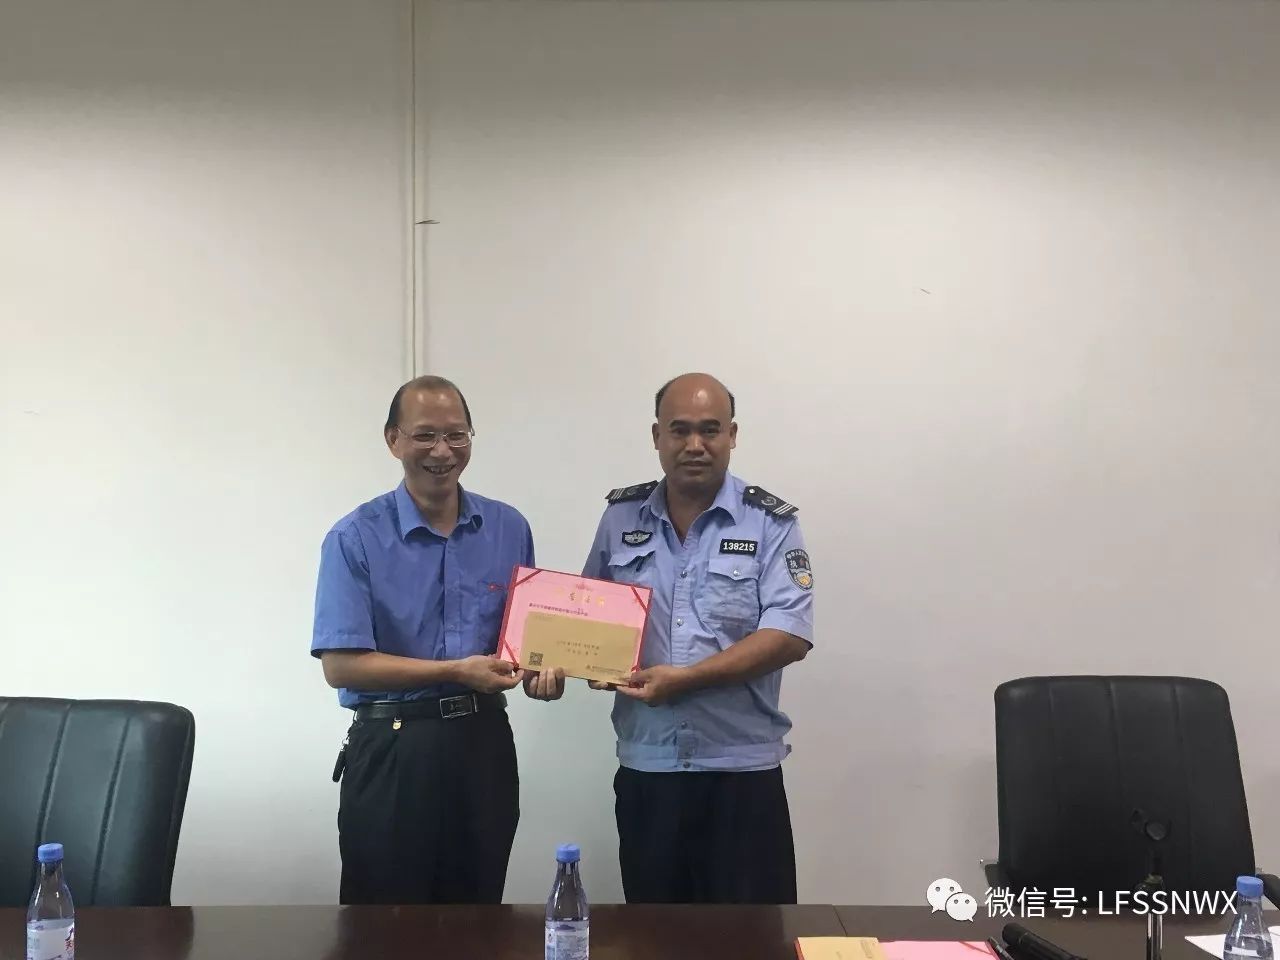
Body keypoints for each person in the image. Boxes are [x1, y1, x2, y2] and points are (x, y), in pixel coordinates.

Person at [311, 375, 564, 906]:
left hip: (483, 744)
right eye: (425, 435)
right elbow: (341, 666)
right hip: (392, 747)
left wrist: (542, 674)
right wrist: (453, 671)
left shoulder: (508, 527)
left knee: (479, 912)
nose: (443, 451)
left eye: (456, 435)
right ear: (393, 440)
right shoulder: (354, 538)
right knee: (382, 922)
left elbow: (523, 647)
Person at [581, 372, 814, 904]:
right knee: (654, 935)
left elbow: (789, 633)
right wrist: (567, 663)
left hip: (741, 774)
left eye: (710, 430)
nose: (694, 444)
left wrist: (686, 679)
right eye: (679, 429)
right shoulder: (619, 518)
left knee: (754, 937)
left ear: (732, 435)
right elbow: (588, 617)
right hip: (649, 769)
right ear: (656, 436)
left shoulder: (769, 522)